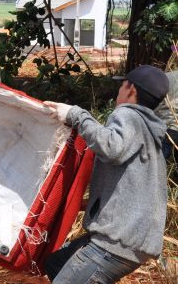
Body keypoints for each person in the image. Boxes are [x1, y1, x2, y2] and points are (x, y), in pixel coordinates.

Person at [43, 65, 170, 283]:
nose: (118, 90)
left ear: (131, 89)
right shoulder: (148, 129)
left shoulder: (129, 115)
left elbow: (112, 147)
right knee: (56, 264)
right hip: (134, 240)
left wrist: (76, 114)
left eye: (122, 85)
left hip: (117, 243)